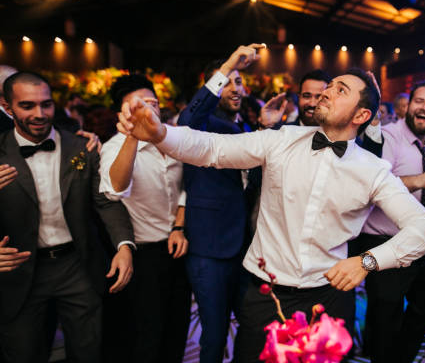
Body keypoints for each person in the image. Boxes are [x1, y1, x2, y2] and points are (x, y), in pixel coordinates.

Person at [117, 44, 425, 363]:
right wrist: (161, 134)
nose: (327, 92)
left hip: (326, 298)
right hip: (264, 296)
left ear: (362, 115)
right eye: (329, 86)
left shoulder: (374, 171)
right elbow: (211, 148)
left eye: (340, 90)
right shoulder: (281, 139)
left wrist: (366, 262)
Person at [0, 71, 134, 363]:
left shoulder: (81, 147)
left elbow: (105, 202)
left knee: (88, 351)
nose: (40, 113)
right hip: (19, 271)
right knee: (23, 354)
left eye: (46, 104)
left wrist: (124, 245)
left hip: (77, 265)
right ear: (7, 107)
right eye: (27, 106)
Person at [358, 80, 425, 363]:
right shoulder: (387, 137)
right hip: (384, 240)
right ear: (408, 105)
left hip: (423, 241)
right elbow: (373, 186)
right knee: (385, 312)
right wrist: (420, 180)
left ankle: (399, 356)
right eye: (420, 101)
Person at [98, 74, 192, 362]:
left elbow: (189, 185)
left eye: (152, 102)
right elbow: (114, 190)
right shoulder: (115, 146)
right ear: (122, 113)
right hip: (145, 255)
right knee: (147, 335)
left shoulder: (173, 137)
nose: (148, 109)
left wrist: (179, 224)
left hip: (180, 246)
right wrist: (132, 138)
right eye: (138, 105)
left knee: (177, 331)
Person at [175, 58, 254, 363]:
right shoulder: (200, 124)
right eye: (230, 82)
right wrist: (232, 61)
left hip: (246, 246)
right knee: (215, 333)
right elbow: (188, 118)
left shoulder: (245, 126)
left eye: (240, 82)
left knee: (251, 324)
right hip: (209, 247)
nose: (238, 89)